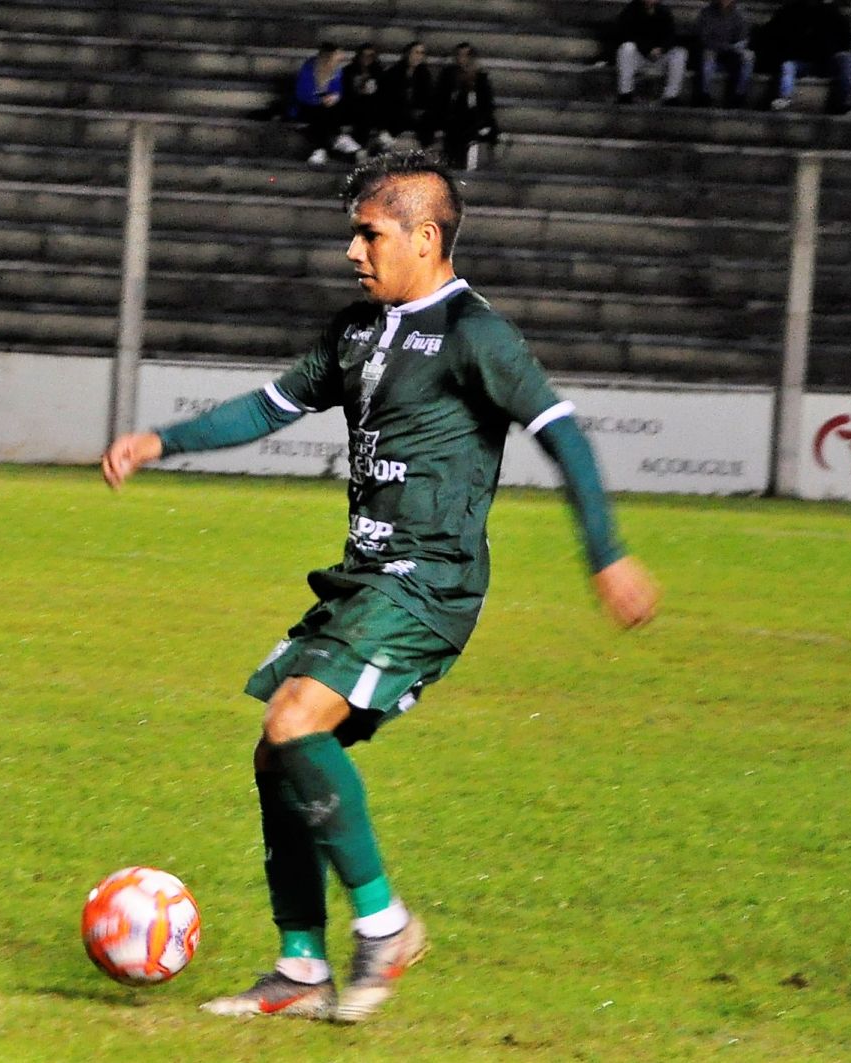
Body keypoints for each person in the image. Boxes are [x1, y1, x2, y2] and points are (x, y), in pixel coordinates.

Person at [101, 151, 660, 1025]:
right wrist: (158, 442)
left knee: (294, 721)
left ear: (426, 237)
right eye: (354, 232)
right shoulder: (356, 330)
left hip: (430, 583)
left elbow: (564, 434)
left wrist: (608, 553)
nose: (353, 251)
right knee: (275, 749)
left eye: (370, 233)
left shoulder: (479, 334)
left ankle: (385, 925)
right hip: (365, 580)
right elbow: (266, 408)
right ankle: (299, 965)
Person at [757, 0, 851, 114]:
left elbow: (845, 40)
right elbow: (773, 35)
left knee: (846, 59)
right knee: (787, 66)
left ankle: (842, 104)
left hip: (826, 61)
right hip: (800, 61)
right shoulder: (791, 10)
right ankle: (784, 99)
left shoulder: (831, 11)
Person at [431, 42, 501, 170]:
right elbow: (441, 100)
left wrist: (483, 122)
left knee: (476, 134)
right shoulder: (448, 75)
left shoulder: (480, 78)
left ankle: (470, 167)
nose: (462, 59)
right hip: (452, 119)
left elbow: (486, 104)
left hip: (474, 120)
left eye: (466, 56)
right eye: (460, 55)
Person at [294, 41, 364, 166]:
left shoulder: (337, 71)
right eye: (337, 55)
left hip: (327, 106)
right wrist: (320, 100)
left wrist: (335, 97)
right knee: (322, 112)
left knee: (333, 109)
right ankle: (334, 141)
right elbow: (301, 94)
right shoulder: (309, 68)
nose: (340, 58)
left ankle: (326, 147)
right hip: (307, 105)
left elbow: (338, 90)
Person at [613, 0, 688, 105]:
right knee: (626, 48)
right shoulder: (631, 11)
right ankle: (625, 94)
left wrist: (661, 49)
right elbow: (626, 35)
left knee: (680, 53)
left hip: (660, 57)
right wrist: (647, 49)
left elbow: (671, 36)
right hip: (639, 58)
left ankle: (671, 96)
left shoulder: (664, 11)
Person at [693, 0, 756, 107]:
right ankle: (704, 96)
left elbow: (742, 38)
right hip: (711, 51)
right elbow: (704, 39)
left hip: (731, 54)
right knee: (708, 56)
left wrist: (733, 48)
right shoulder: (706, 13)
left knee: (748, 57)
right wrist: (725, 46)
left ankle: (739, 95)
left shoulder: (739, 14)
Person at [340, 43, 396, 155]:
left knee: (371, 106)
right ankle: (369, 143)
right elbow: (344, 93)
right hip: (351, 106)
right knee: (364, 106)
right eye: (364, 55)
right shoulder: (348, 71)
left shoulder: (379, 72)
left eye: (370, 56)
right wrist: (359, 92)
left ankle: (366, 146)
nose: (367, 58)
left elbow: (384, 94)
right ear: (358, 56)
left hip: (371, 109)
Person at [380, 41, 437, 149]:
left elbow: (427, 97)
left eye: (421, 53)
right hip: (397, 112)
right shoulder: (393, 72)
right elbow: (388, 98)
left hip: (415, 114)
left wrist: (420, 110)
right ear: (408, 54)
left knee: (429, 118)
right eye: (416, 53)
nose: (419, 56)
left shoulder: (423, 73)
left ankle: (425, 149)